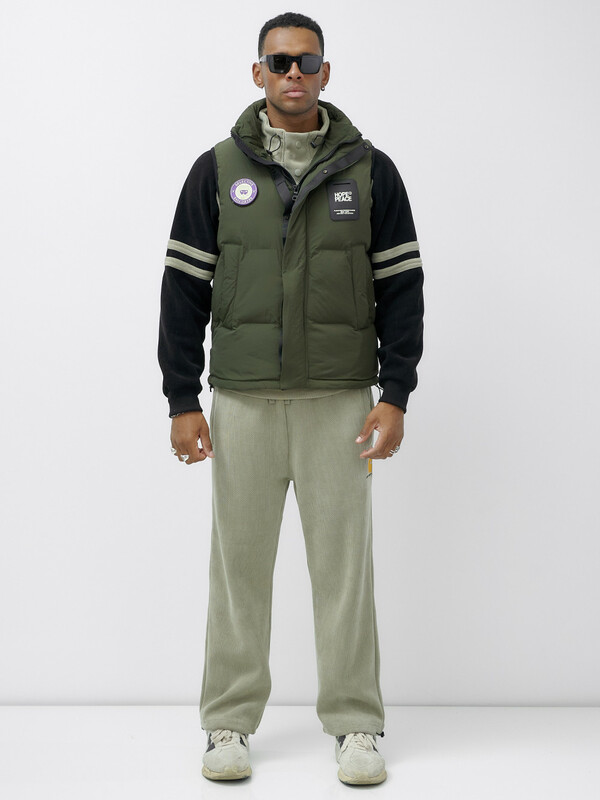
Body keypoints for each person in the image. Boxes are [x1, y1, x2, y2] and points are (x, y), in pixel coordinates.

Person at [158, 11, 424, 786]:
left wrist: (396, 393)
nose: (294, 75)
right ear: (259, 74)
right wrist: (181, 398)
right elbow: (183, 289)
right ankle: (228, 724)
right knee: (237, 571)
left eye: (307, 62)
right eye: (279, 62)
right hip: (242, 404)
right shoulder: (216, 170)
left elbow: (402, 288)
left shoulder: (371, 172)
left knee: (344, 572)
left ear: (325, 73)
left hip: (341, 405)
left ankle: (356, 724)